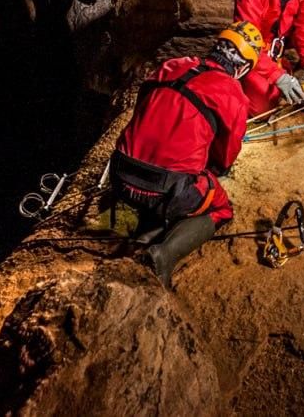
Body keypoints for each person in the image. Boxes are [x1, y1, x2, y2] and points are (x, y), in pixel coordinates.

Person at [108, 21, 265, 288]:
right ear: (242, 68)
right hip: (165, 190)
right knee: (221, 207)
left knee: (158, 188)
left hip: (119, 174)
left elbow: (142, 105)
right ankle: (164, 255)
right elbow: (224, 159)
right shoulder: (233, 95)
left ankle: (139, 229)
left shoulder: (173, 65)